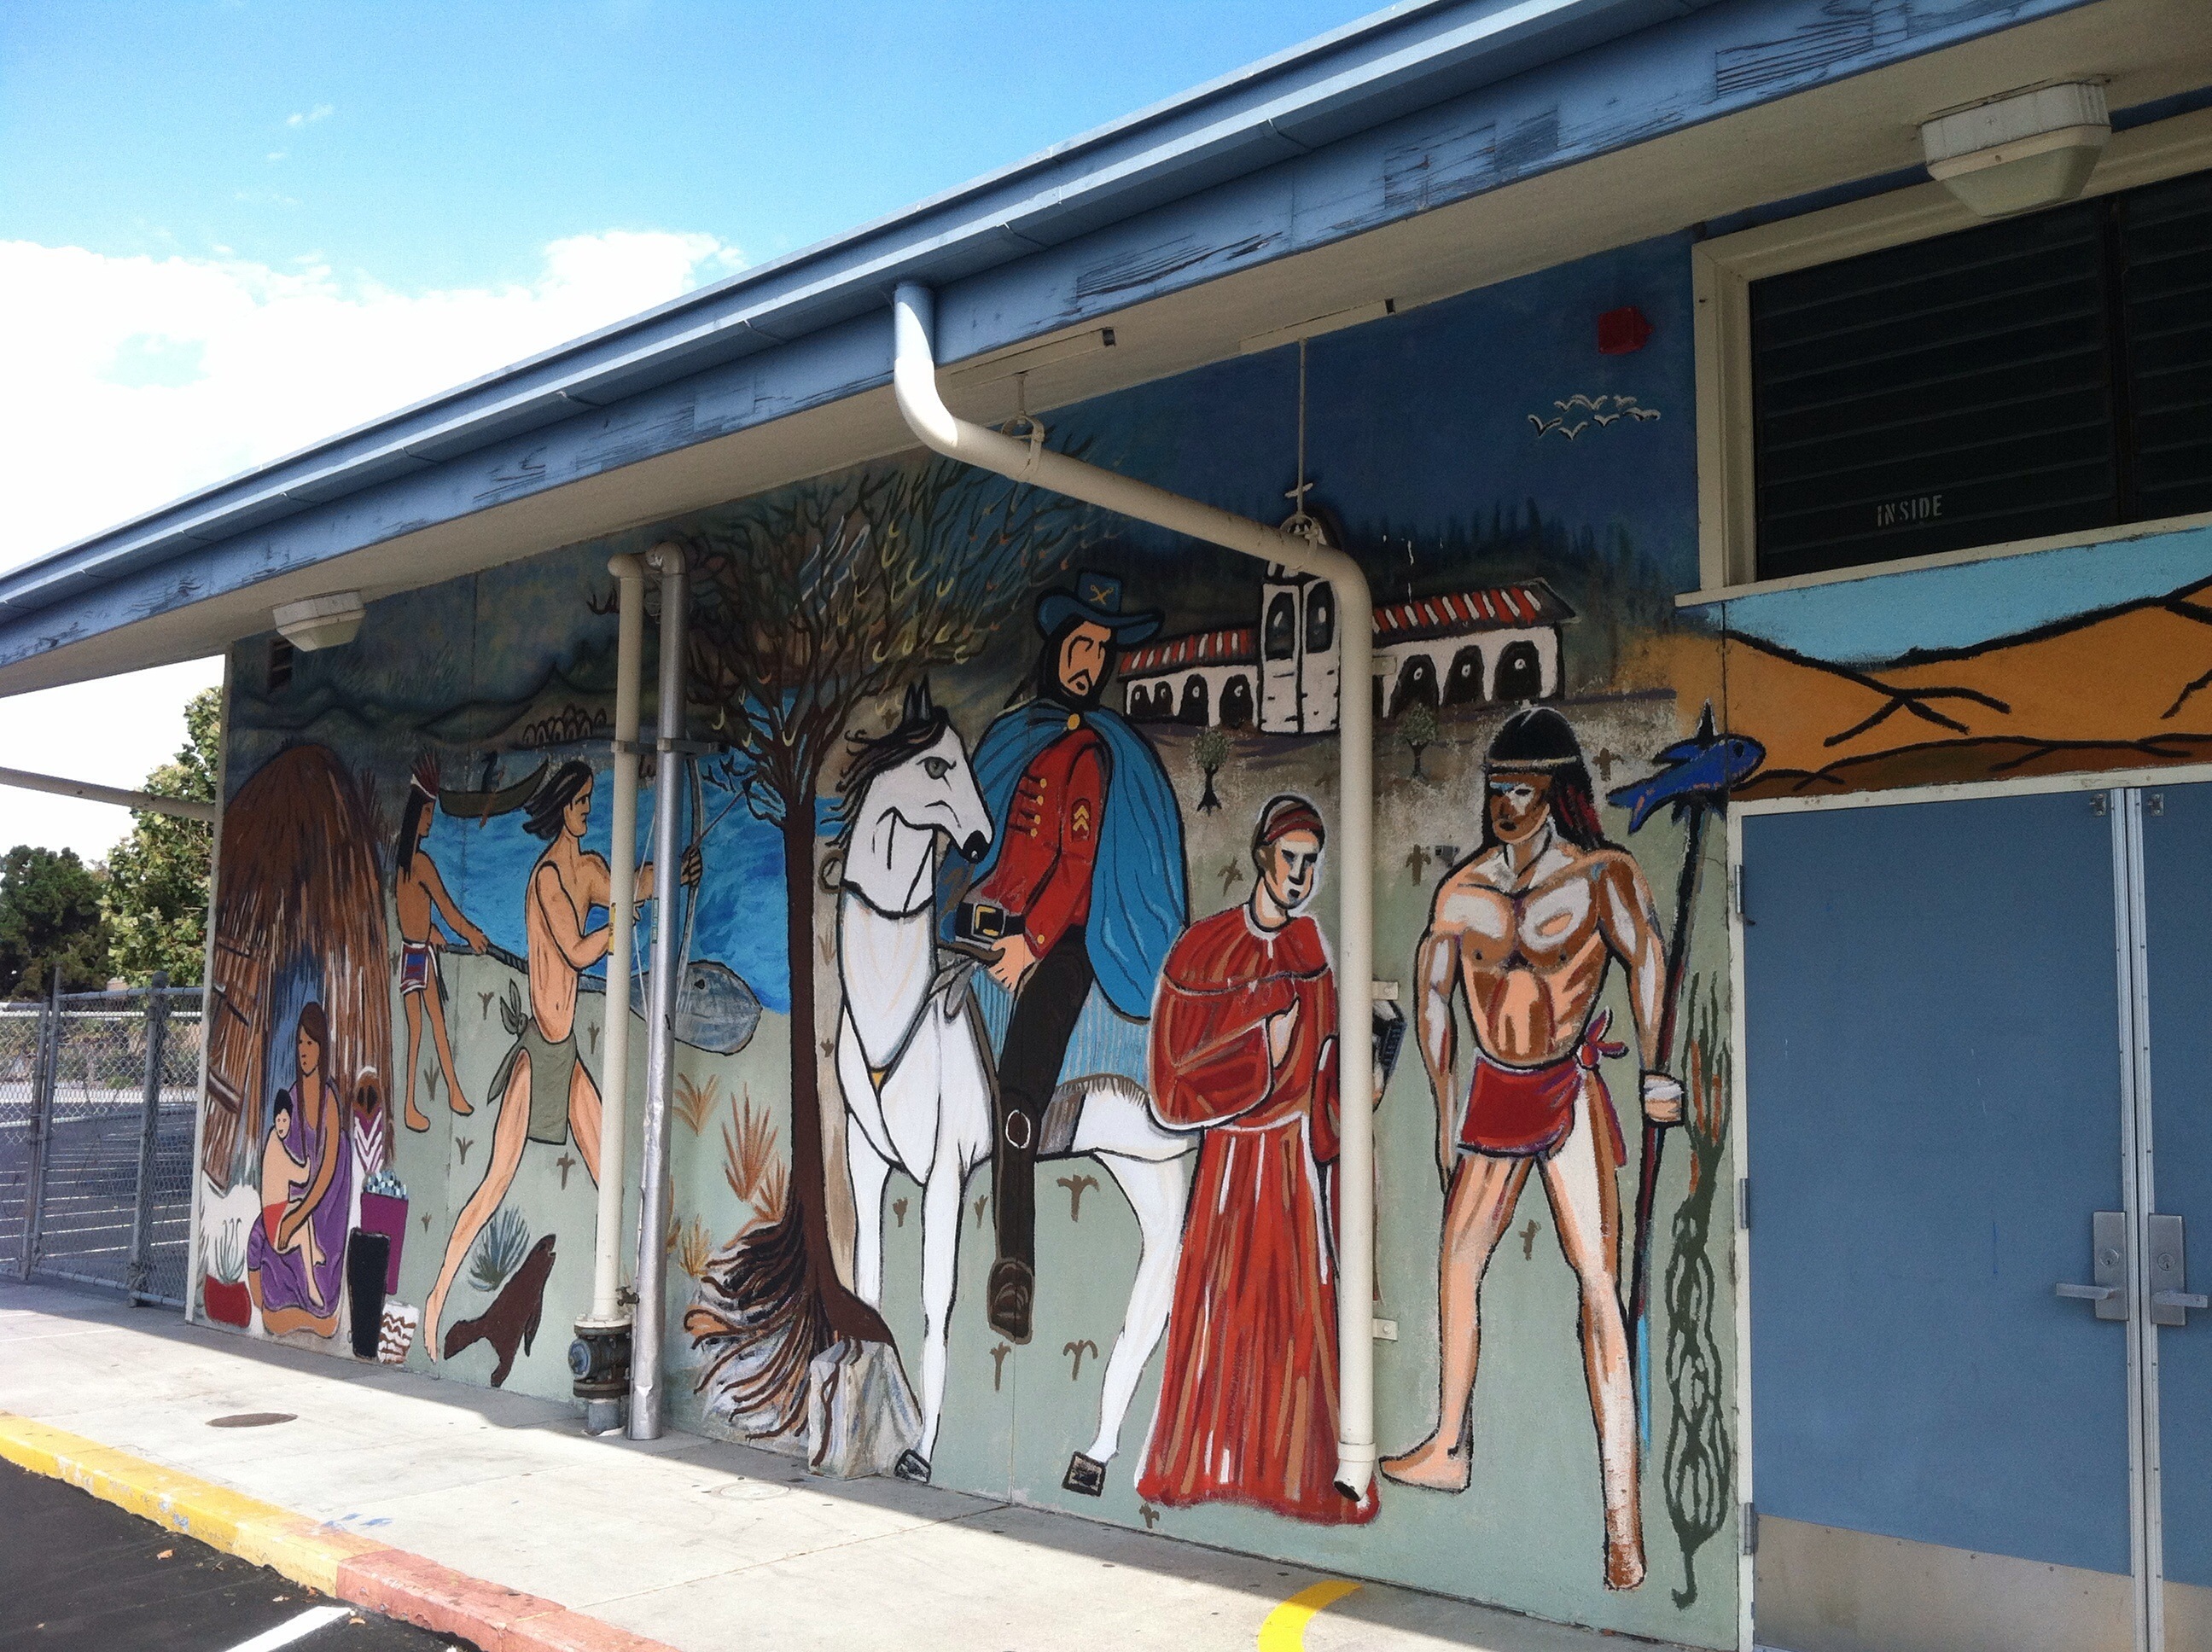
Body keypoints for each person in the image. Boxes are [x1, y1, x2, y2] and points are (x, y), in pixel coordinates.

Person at [1381, 707, 1680, 1591]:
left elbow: (1649, 957)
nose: (1503, 803)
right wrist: (1441, 1110)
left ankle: (1621, 1521)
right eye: (1496, 788)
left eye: (1520, 788)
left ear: (1555, 793)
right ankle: (1448, 1442)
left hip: (1570, 1083)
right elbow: (1433, 998)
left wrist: (1659, 1070)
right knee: (1456, 1263)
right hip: (1494, 1088)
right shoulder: (1463, 892)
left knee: (1598, 1288)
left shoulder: (1601, 876)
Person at [951, 569, 1187, 1344]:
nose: (1088, 661)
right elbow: (997, 842)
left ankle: (1013, 1268)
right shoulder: (1019, 734)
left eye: (1101, 649)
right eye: (1079, 643)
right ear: (1057, 645)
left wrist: (1030, 943)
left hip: (1072, 935)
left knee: (1018, 1084)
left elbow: (1077, 872)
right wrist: (976, 907)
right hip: (1004, 918)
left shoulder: (1093, 753)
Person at [1136, 795, 1378, 1524]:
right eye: (1289, 859)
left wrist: (1351, 1087)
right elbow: (1169, 1085)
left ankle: (1289, 1476)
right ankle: (1203, 1469)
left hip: (1292, 1163)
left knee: (1293, 1320)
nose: (1300, 875)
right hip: (1231, 1167)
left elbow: (1328, 1053)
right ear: (1262, 857)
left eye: (1312, 862)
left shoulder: (1310, 948)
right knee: (1220, 1315)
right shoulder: (1202, 949)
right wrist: (1256, 1060)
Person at [423, 760, 696, 1357]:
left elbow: (633, 883)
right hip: (537, 1052)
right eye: (579, 801)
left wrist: (673, 872)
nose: (586, 810)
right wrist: (619, 926)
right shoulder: (548, 876)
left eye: (591, 800)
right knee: (495, 1181)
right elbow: (574, 951)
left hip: (566, 1052)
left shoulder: (591, 868)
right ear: (560, 806)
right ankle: (438, 1295)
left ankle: (644, 1298)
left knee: (610, 1172)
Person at [394, 757, 489, 1132]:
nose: (431, 820)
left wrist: (427, 930)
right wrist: (471, 934)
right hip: (419, 956)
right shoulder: (421, 864)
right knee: (424, 1028)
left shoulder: (403, 865)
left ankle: (448, 1093)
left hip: (412, 951)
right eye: (429, 813)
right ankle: (417, 1104)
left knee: (429, 1025)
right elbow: (448, 909)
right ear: (417, 815)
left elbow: (411, 914)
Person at [246, 1002, 351, 1335]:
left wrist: (299, 1213)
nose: (304, 1051)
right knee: (269, 1237)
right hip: (295, 1197)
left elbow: (330, 1167)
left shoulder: (329, 1101)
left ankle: (316, 1308)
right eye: (300, 1043)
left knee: (299, 1234)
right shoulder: (291, 1097)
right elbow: (282, 1163)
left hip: (325, 1199)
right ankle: (289, 1306)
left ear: (323, 1047)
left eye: (311, 1043)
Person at [258, 1095, 327, 1309]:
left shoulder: (274, 1142)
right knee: (302, 1222)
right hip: (275, 1223)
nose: (281, 1125)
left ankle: (314, 1251)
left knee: (301, 1206)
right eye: (278, 1120)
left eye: (285, 1120)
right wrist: (307, 1165)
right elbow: (300, 1176)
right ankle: (312, 1286)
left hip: (279, 1209)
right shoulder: (275, 1147)